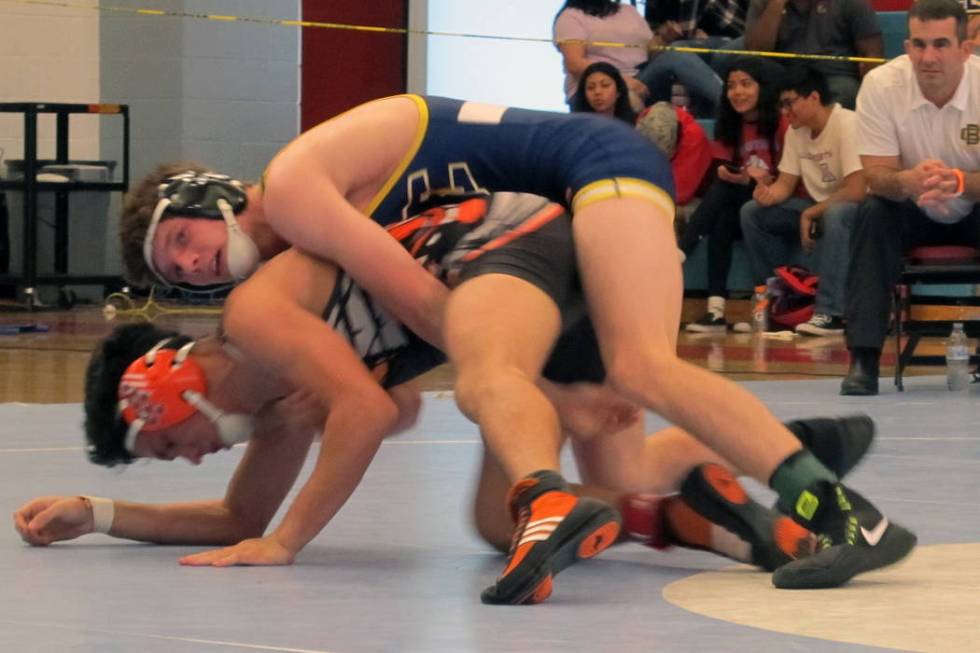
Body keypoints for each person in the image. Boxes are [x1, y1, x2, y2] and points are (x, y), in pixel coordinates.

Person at [120, 94, 915, 596]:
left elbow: (419, 295)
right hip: (546, 224)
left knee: (634, 366)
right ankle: (755, 479)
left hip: (582, 174)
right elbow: (398, 375)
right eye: (176, 269)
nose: (193, 263)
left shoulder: (292, 190)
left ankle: (844, 513)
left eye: (182, 237)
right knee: (615, 466)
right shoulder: (294, 243)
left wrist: (544, 383)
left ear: (208, 194)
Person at [19, 194, 873, 590]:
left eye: (169, 445)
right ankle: (743, 467)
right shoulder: (277, 402)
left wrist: (288, 545)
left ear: (163, 395)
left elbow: (369, 408)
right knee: (519, 512)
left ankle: (722, 482)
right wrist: (97, 513)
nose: (193, 456)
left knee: (524, 456)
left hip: (515, 255)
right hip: (506, 291)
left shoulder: (255, 320)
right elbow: (240, 517)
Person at [841, 0, 980, 395]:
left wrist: (958, 182)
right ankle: (864, 361)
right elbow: (875, 174)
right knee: (871, 211)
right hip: (910, 208)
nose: (928, 57)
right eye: (918, 45)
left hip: (973, 205)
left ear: (965, 49)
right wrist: (907, 182)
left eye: (940, 44)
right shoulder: (882, 85)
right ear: (906, 46)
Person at [739, 65, 865, 337]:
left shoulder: (848, 124)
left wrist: (812, 213)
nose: (785, 112)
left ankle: (830, 313)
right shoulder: (797, 132)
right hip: (820, 207)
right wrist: (766, 194)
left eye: (789, 103)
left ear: (814, 97)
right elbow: (786, 183)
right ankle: (776, 295)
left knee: (835, 214)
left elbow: (857, 189)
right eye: (781, 105)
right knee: (752, 212)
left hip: (855, 209)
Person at [678, 57, 787, 332]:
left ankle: (682, 248)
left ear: (763, 87)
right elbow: (725, 169)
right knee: (723, 215)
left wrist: (762, 179)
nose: (737, 92)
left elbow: (791, 178)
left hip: (776, 201)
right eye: (731, 86)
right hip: (743, 203)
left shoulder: (782, 123)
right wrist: (737, 176)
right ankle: (715, 312)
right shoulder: (730, 125)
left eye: (746, 84)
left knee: (725, 194)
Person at [553, 0, 723, 113]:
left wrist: (664, 37)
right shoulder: (571, 16)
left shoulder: (628, 11)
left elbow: (649, 51)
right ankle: (726, 101)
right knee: (675, 57)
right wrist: (621, 80)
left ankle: (724, 102)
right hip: (600, 87)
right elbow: (575, 64)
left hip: (641, 76)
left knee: (681, 51)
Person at [744, 0, 884, 109]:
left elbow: (872, 54)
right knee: (748, 92)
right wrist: (777, 3)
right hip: (784, 74)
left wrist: (870, 95)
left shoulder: (850, 3)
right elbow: (755, 50)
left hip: (834, 75)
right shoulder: (762, 2)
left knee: (844, 92)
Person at [571, 61, 639, 123]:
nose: (597, 92)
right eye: (590, 87)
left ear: (618, 91)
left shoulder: (636, 124)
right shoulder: (576, 126)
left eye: (605, 85)